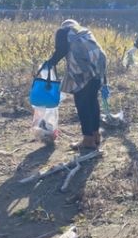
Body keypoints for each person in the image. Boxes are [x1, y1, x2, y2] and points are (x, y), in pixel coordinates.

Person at [45, 19, 107, 151]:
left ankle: (87, 140)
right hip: (97, 72)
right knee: (93, 102)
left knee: (82, 105)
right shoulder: (85, 32)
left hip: (81, 74)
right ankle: (96, 136)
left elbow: (60, 52)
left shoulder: (63, 32)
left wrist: (48, 64)